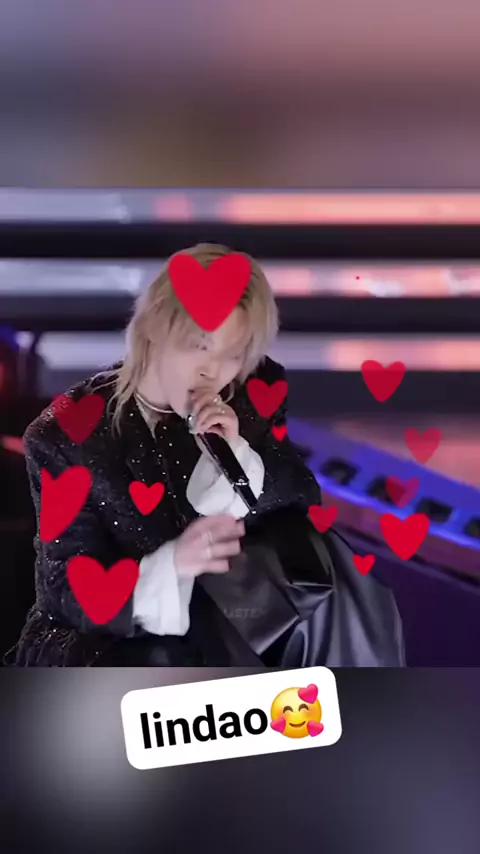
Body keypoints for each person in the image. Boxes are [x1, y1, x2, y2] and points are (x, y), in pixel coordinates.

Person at [5, 243, 404, 667]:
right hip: (113, 637)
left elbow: (299, 499)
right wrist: (173, 563)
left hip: (225, 614)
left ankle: (355, 702)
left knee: (329, 574)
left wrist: (232, 454)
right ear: (155, 327)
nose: (212, 371)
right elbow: (66, 589)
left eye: (232, 355)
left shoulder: (247, 394)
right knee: (167, 658)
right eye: (200, 346)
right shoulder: (66, 434)